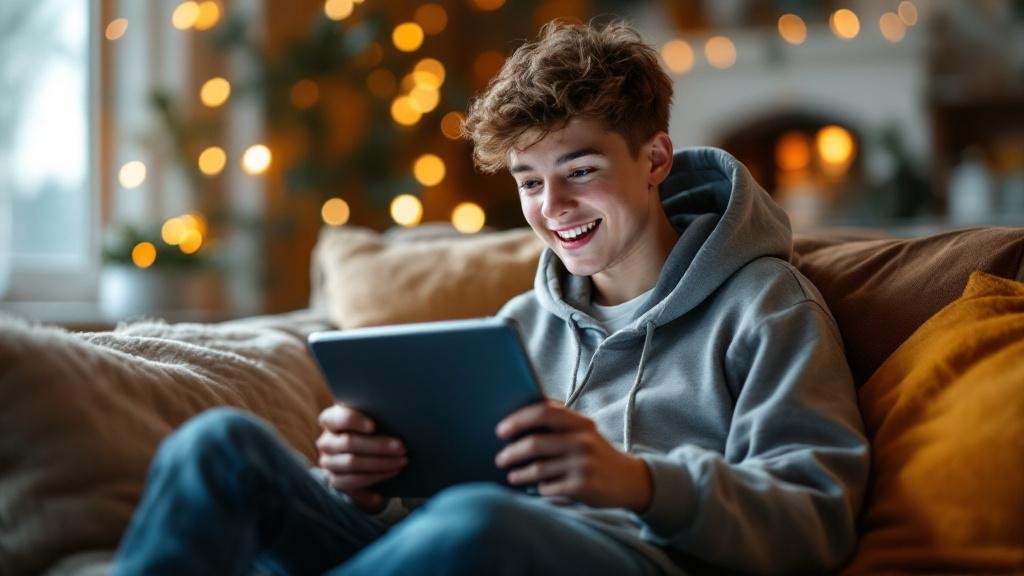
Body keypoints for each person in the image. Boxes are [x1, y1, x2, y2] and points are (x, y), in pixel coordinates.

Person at [113, 20, 868, 575]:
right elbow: (430, 518)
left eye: (579, 170)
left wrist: (640, 482)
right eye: (530, 182)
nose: (554, 207)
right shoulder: (517, 326)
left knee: (479, 525)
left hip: (630, 560)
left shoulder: (768, 306)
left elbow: (817, 517)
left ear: (655, 158)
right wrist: (367, 487)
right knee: (218, 447)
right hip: (466, 546)